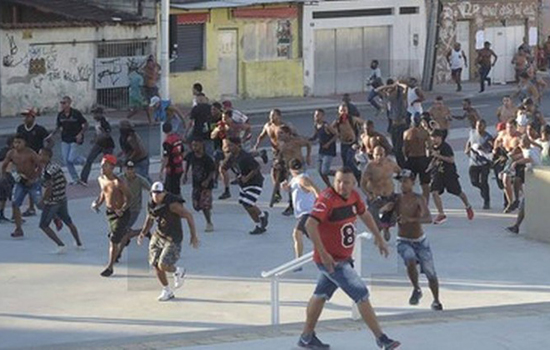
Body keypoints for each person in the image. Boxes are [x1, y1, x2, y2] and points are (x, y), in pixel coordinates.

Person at [298, 168, 399, 350]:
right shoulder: (326, 199)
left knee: (320, 295)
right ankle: (381, 339)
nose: (341, 186)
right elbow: (310, 224)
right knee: (361, 294)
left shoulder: (354, 196)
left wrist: (378, 237)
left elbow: (365, 214)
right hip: (333, 262)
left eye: (346, 182)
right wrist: (324, 253)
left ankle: (306, 337)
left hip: (344, 257)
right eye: (338, 181)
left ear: (354, 184)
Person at [137, 181, 199, 301]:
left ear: (164, 193)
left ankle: (178, 271)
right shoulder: (151, 204)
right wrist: (143, 233)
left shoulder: (173, 204)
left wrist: (193, 235)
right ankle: (167, 290)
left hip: (173, 238)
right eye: (154, 193)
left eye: (159, 193)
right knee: (155, 264)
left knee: (163, 264)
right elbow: (149, 218)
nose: (156, 196)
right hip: (159, 235)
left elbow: (189, 216)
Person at [391, 169, 442, 310]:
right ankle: (416, 288)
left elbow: (428, 218)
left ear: (412, 183)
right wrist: (385, 227)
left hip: (420, 240)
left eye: (405, 181)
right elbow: (388, 216)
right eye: (400, 182)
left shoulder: (419, 198)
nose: (402, 185)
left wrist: (411, 219)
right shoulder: (396, 199)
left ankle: (436, 300)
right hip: (403, 239)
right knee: (410, 258)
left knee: (431, 273)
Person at [91, 154, 132, 277]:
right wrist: (97, 203)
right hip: (110, 213)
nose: (102, 167)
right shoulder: (101, 179)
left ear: (112, 167)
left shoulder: (118, 182)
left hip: (122, 214)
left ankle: (110, 267)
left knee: (113, 239)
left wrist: (122, 208)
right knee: (116, 237)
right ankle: (126, 235)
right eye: (102, 164)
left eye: (105, 165)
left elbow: (130, 198)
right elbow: (104, 192)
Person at [38, 147, 83, 253]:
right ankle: (78, 243)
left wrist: (43, 200)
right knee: (68, 221)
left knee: (43, 225)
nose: (39, 156)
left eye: (41, 154)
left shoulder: (48, 171)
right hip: (62, 198)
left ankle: (60, 244)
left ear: (47, 156)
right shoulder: (55, 166)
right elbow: (64, 181)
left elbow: (49, 187)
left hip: (53, 201)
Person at [429, 130, 474, 224]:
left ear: (440, 138)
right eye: (433, 138)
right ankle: (441, 214)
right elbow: (434, 158)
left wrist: (439, 156)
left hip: (449, 173)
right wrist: (430, 166)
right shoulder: (432, 147)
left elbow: (451, 160)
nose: (434, 140)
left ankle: (468, 206)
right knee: (434, 192)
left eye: (436, 138)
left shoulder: (446, 147)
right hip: (438, 173)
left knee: (458, 192)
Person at [1, 134, 42, 238]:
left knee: (40, 204)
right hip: (21, 182)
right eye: (15, 142)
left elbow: (40, 167)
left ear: (25, 143)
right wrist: (3, 175)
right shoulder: (11, 153)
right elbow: (4, 164)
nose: (16, 145)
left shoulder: (31, 153)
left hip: (33, 182)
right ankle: (18, 229)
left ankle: (55, 216)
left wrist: (34, 179)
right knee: (15, 204)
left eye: (19, 142)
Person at [226, 137, 269, 235]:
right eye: (228, 145)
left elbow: (256, 167)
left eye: (231, 145)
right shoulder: (231, 156)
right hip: (243, 184)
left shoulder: (245, 156)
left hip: (255, 182)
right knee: (245, 205)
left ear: (238, 145)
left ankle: (262, 216)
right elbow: (225, 167)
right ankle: (259, 224)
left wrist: (247, 178)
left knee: (248, 203)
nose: (229, 148)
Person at [281, 158, 320, 260]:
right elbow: (290, 188)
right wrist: (285, 187)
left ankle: (298, 261)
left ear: (290, 170)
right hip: (302, 213)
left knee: (296, 234)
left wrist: (320, 204)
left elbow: (316, 190)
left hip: (308, 213)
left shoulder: (302, 179)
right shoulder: (295, 179)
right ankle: (328, 252)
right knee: (314, 238)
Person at [361, 146, 401, 241]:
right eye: (376, 155)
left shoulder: (391, 163)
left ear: (385, 155)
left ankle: (386, 228)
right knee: (375, 218)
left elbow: (400, 172)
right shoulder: (370, 167)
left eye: (381, 155)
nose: (379, 157)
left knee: (390, 216)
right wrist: (368, 195)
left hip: (389, 194)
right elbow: (362, 184)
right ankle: (378, 234)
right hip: (376, 196)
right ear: (373, 155)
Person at [46, 96, 88, 185]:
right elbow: (58, 126)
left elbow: (85, 124)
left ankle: (83, 161)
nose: (62, 105)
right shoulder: (60, 115)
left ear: (69, 103)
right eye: (61, 103)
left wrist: (80, 134)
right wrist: (51, 135)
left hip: (75, 138)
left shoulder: (76, 113)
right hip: (65, 139)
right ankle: (75, 178)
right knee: (66, 160)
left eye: (64, 103)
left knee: (71, 158)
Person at [16, 108, 49, 217]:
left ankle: (34, 207)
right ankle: (25, 207)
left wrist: (43, 153)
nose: (25, 118)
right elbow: (17, 142)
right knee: (26, 182)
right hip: (24, 160)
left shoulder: (39, 129)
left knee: (33, 183)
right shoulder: (20, 128)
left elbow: (50, 141)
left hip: (36, 160)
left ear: (33, 117)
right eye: (24, 116)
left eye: (27, 116)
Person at [505, 135, 542, 234]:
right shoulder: (534, 149)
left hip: (538, 180)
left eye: (521, 142)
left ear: (524, 143)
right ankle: (516, 226)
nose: (519, 144)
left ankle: (518, 225)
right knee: (525, 203)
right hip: (536, 179)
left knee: (526, 203)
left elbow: (529, 159)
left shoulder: (529, 151)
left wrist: (517, 163)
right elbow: (516, 156)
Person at [116, 160, 151, 262]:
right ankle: (144, 232)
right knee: (119, 232)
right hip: (122, 209)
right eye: (128, 169)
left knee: (124, 232)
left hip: (134, 209)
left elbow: (150, 189)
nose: (130, 171)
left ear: (135, 170)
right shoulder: (120, 178)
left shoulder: (140, 180)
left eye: (132, 169)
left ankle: (118, 254)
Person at [271, 125, 312, 212]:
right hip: (289, 167)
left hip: (299, 166)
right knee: (290, 186)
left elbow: (308, 144)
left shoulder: (296, 141)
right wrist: (277, 161)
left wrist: (308, 156)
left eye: (281, 133)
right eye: (278, 133)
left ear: (288, 133)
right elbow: (280, 155)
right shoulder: (281, 144)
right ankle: (291, 204)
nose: (279, 135)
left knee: (301, 185)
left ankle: (307, 202)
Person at [183, 139, 215, 232]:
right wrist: (185, 175)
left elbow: (212, 171)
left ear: (201, 145)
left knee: (205, 205)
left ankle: (209, 222)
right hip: (196, 184)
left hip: (206, 185)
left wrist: (207, 180)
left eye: (196, 145)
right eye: (193, 145)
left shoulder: (207, 158)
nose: (194, 147)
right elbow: (187, 163)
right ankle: (207, 210)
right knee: (196, 205)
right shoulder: (191, 155)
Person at [80, 106, 115, 185]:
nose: (94, 116)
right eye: (93, 114)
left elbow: (107, 134)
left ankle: (109, 179)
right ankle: (83, 178)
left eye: (95, 114)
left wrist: (100, 137)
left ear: (100, 114)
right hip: (99, 144)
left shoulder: (104, 122)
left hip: (107, 145)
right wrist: (94, 139)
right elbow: (97, 132)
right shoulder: (97, 122)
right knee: (89, 160)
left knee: (107, 163)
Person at [376, 79, 408, 167]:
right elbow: (378, 90)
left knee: (399, 148)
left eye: (391, 91)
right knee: (394, 149)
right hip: (393, 125)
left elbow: (406, 88)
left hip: (401, 125)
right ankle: (400, 165)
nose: (389, 93)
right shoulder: (388, 98)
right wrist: (390, 87)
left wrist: (396, 85)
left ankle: (403, 166)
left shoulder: (400, 98)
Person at [465, 120, 494, 209]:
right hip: (473, 162)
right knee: (474, 181)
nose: (478, 127)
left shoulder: (487, 137)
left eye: (481, 126)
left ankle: (486, 201)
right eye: (477, 125)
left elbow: (492, 149)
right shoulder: (472, 132)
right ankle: (482, 189)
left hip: (484, 162)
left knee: (484, 181)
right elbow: (469, 141)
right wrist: (467, 149)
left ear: (484, 127)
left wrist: (483, 148)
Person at [403, 114, 432, 203]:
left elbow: (405, 149)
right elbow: (430, 146)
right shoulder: (424, 132)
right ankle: (425, 205)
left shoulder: (407, 133)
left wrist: (407, 157)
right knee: (425, 185)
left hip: (411, 159)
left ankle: (409, 203)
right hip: (422, 158)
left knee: (408, 183)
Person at [332, 104, 363, 182]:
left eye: (344, 110)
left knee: (349, 160)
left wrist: (361, 134)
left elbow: (363, 122)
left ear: (347, 111)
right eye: (341, 110)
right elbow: (330, 128)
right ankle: (347, 178)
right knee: (345, 164)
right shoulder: (337, 121)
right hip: (344, 144)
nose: (343, 112)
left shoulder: (352, 119)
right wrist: (336, 133)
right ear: (339, 112)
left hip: (353, 143)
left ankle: (358, 174)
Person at [310, 109, 338, 187]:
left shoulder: (326, 126)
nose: (316, 117)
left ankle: (339, 174)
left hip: (329, 151)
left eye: (318, 115)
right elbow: (315, 136)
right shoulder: (316, 125)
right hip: (321, 151)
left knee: (325, 171)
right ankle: (329, 185)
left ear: (322, 116)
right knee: (319, 171)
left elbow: (336, 135)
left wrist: (328, 144)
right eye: (315, 115)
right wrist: (307, 140)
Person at [160, 122, 185, 197]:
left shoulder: (167, 142)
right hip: (179, 167)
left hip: (172, 168)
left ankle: (175, 205)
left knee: (170, 190)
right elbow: (183, 152)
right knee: (176, 187)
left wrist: (161, 170)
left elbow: (166, 158)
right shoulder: (177, 138)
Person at [0, 136, 15, 222]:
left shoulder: (3, 150)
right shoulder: (11, 153)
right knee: (14, 196)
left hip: (3, 175)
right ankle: (15, 215)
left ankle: (1, 214)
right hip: (7, 175)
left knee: (2, 197)